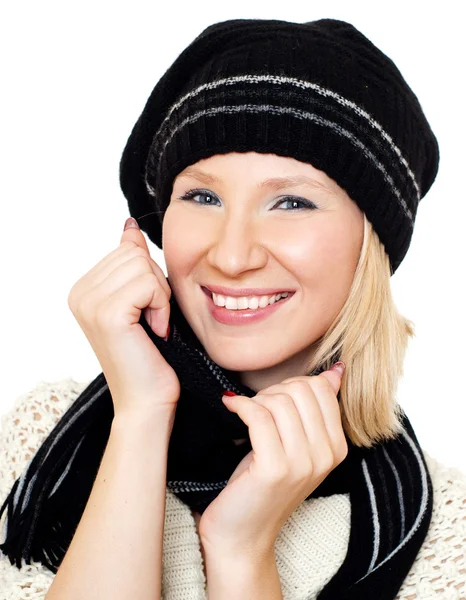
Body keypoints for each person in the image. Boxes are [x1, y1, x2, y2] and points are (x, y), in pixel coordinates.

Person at [1, 16, 465, 600]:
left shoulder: (448, 532)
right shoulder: (43, 438)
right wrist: (142, 415)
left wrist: (242, 552)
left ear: (370, 247)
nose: (233, 254)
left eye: (291, 202)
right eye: (202, 196)